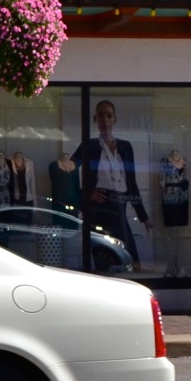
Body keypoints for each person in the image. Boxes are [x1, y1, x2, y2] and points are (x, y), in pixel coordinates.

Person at [71, 100, 153, 267]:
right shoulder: (90, 145)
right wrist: (86, 193)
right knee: (104, 255)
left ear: (115, 119)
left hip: (119, 204)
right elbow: (69, 169)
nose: (105, 120)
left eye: (109, 115)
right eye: (101, 115)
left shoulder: (125, 146)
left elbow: (131, 182)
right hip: (99, 206)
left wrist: (143, 216)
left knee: (129, 253)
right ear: (95, 119)